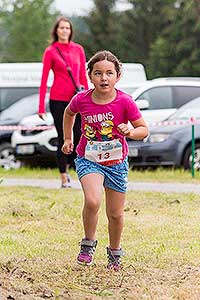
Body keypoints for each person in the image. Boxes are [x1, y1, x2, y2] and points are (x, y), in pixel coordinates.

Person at [62, 50, 148, 270]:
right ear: (90, 76)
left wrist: (129, 131)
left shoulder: (125, 102)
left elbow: (143, 130)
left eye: (109, 73)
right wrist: (68, 138)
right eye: (98, 73)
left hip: (116, 163)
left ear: (117, 76)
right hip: (88, 159)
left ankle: (114, 253)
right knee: (93, 201)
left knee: (116, 214)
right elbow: (68, 113)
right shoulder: (81, 99)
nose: (104, 78)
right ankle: (88, 244)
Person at [38, 16, 88, 188]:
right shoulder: (51, 51)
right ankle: (63, 175)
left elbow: (83, 76)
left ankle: (81, 171)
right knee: (62, 137)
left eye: (67, 28)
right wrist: (40, 106)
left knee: (79, 136)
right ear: (56, 31)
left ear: (71, 31)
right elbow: (44, 79)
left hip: (76, 99)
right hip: (58, 99)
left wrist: (89, 98)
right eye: (62, 28)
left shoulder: (78, 50)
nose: (65, 31)